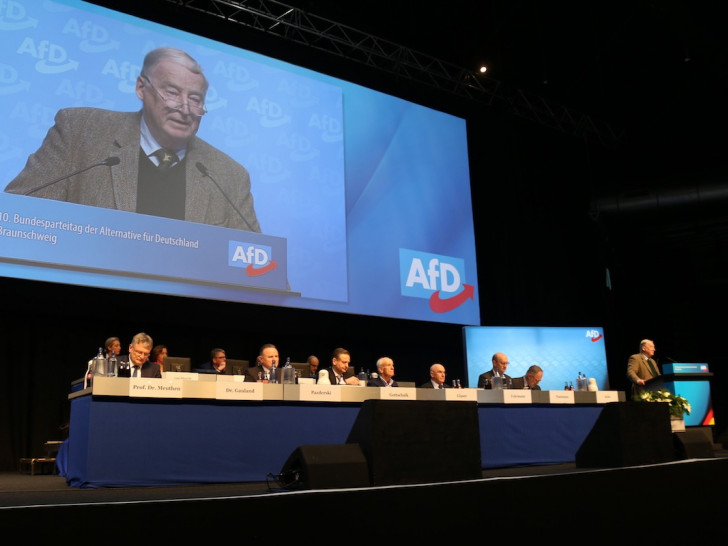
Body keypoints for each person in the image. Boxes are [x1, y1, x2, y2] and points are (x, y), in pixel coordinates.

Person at [4, 47, 261, 232]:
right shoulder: (79, 131)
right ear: (141, 88)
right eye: (172, 93)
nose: (184, 108)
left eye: (195, 100)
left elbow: (259, 268)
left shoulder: (229, 175)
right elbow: (16, 217)